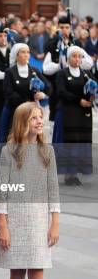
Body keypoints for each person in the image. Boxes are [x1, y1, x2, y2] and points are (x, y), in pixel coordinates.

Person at [0, 102, 60, 279]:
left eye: (41, 116)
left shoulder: (48, 150)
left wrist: (55, 221)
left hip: (38, 219)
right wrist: (3, 225)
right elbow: (2, 190)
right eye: (33, 117)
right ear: (23, 121)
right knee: (16, 273)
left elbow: (53, 188)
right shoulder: (8, 151)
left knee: (37, 273)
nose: (39, 121)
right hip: (14, 218)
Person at [53, 46, 94, 186]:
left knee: (80, 143)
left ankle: (76, 172)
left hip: (83, 115)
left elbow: (92, 90)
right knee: (69, 144)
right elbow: (61, 92)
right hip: (68, 113)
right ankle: (68, 174)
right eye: (74, 56)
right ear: (68, 58)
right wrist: (78, 100)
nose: (77, 59)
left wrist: (92, 97)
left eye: (79, 56)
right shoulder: (62, 74)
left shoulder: (86, 74)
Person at [0, 43, 50, 144]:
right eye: (23, 52)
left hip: (31, 113)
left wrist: (43, 94)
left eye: (28, 52)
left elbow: (48, 87)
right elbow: (9, 93)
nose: (26, 55)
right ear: (17, 55)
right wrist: (27, 103)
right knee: (12, 138)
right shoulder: (10, 72)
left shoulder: (34, 70)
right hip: (13, 111)